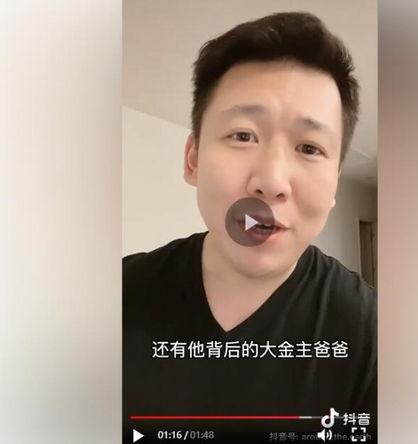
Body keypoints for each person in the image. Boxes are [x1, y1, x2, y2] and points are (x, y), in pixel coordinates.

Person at [123, 11, 376, 443]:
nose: (272, 181)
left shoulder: (373, 337)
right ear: (193, 159)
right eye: (242, 136)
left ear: (334, 183)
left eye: (309, 147)